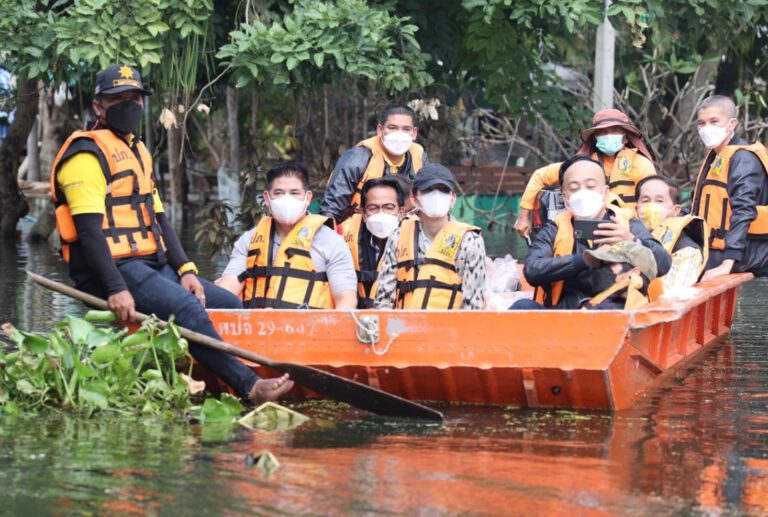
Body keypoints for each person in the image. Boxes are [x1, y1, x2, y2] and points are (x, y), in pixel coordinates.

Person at [50, 64, 292, 404]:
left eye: (134, 97)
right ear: (98, 106)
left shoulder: (138, 151)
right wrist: (116, 289)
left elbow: (159, 219)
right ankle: (250, 386)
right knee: (188, 310)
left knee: (227, 303)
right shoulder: (85, 155)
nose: (129, 105)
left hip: (152, 262)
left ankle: (225, 373)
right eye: (118, 98)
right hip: (114, 268)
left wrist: (186, 269)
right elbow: (90, 233)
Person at [511, 155, 671, 310]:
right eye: (574, 188)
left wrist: (632, 241)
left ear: (605, 192)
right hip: (565, 316)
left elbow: (663, 265)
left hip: (613, 317)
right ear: (565, 198)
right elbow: (532, 270)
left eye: (590, 186)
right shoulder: (555, 228)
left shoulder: (627, 225)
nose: (582, 193)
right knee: (522, 306)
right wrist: (584, 260)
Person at [216, 161, 357, 309]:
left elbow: (346, 300)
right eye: (279, 193)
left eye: (295, 193)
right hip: (258, 327)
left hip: (311, 329)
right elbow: (228, 289)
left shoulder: (332, 242)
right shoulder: (249, 240)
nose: (287, 199)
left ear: (308, 198)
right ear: (267, 198)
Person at [513, 108, 657, 238]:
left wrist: (643, 234)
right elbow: (540, 176)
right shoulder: (582, 165)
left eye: (614, 130)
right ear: (595, 137)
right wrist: (523, 217)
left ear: (625, 137)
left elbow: (653, 203)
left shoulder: (641, 164)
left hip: (630, 229)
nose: (608, 135)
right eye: (602, 132)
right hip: (586, 229)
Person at [374, 164, 487, 310]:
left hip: (451, 329)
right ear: (414, 199)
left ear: (452, 199)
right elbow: (384, 300)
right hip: (402, 327)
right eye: (428, 190)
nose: (436, 196)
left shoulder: (470, 241)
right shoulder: (398, 236)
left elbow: (473, 306)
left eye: (443, 190)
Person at [691, 95, 768, 280]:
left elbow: (743, 210)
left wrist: (728, 262)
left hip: (746, 252)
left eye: (714, 121)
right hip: (717, 246)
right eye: (701, 123)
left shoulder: (743, 158)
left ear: (732, 124)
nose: (706, 128)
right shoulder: (716, 155)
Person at [319, 105, 428, 223]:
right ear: (380, 130)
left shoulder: (419, 156)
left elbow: (428, 200)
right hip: (358, 229)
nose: (399, 135)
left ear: (414, 133)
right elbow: (332, 207)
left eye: (406, 129)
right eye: (392, 127)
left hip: (404, 229)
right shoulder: (358, 157)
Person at [339, 176, 409, 309]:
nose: (381, 213)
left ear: (401, 213)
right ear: (363, 214)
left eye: (389, 207)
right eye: (373, 208)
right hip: (356, 316)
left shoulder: (416, 240)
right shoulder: (343, 236)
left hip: (398, 321)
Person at [635, 176, 708, 298]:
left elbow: (672, 297)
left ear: (676, 210)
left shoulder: (686, 250)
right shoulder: (625, 238)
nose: (651, 206)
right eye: (645, 201)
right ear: (636, 208)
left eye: (659, 201)